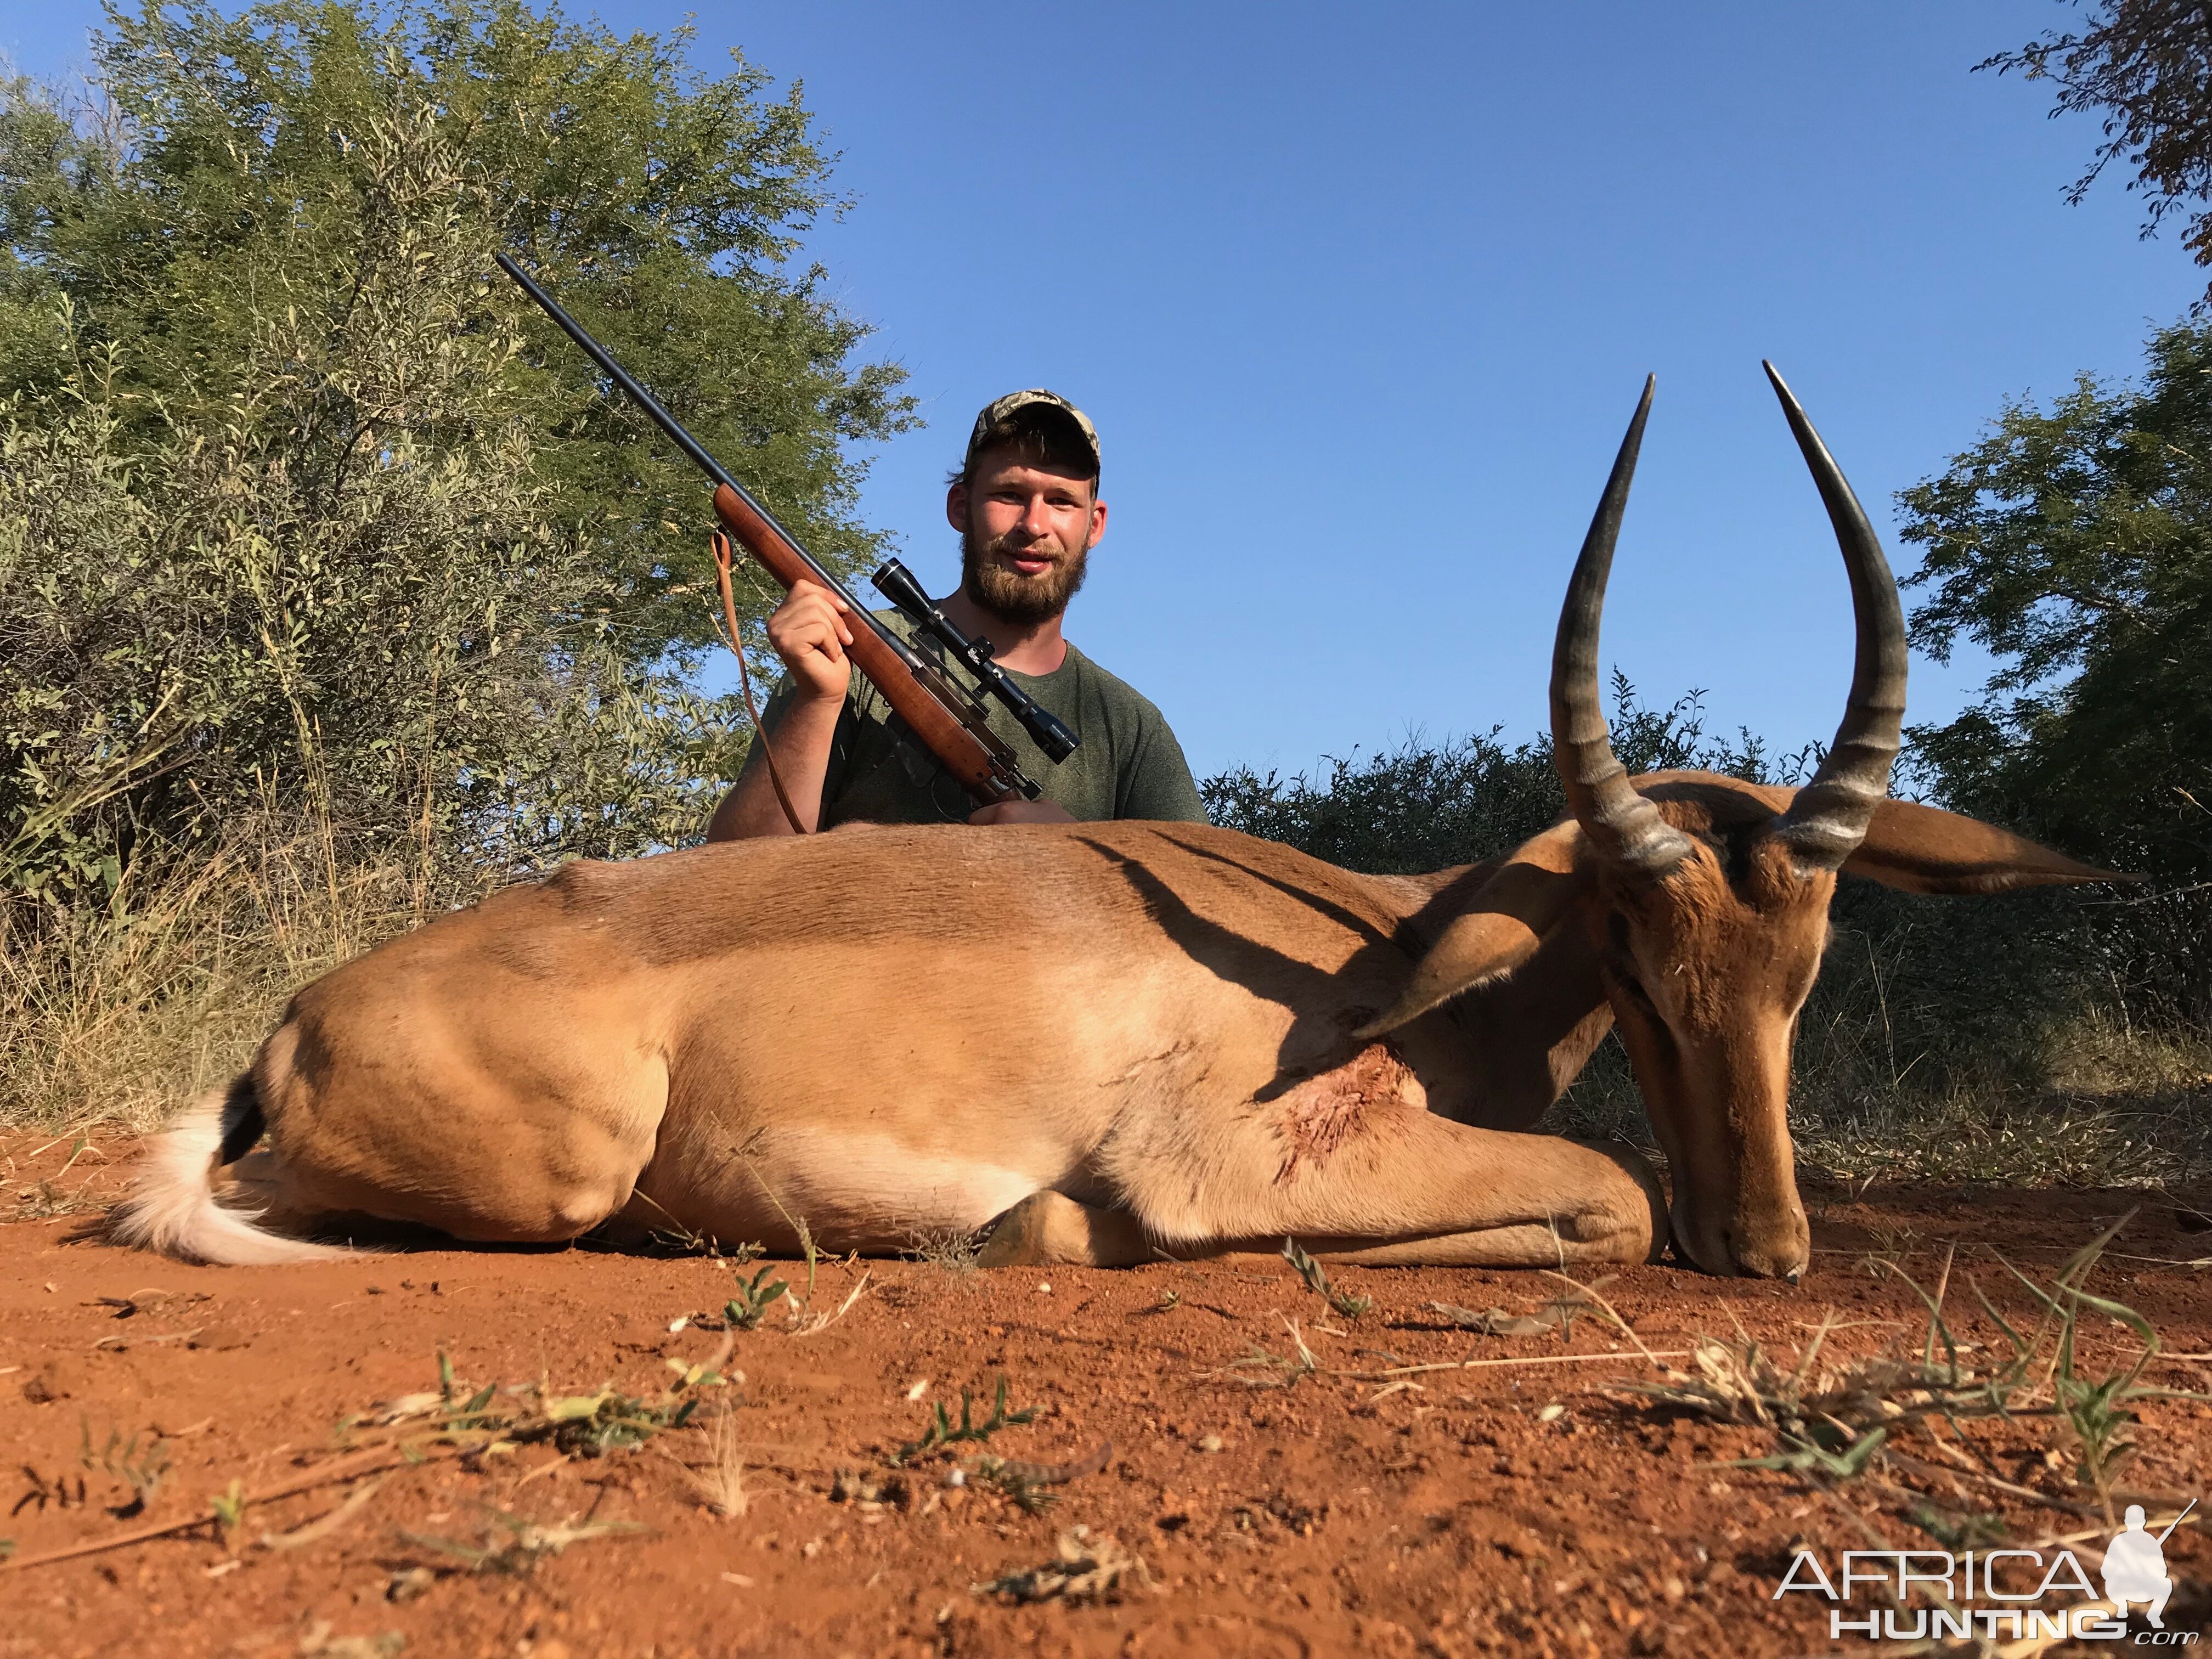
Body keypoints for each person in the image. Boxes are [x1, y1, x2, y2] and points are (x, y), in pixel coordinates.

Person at [707, 390, 1207, 838]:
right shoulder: (846, 654)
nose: (1035, 524)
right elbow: (735, 879)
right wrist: (817, 702)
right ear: (959, 506)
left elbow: (1203, 900)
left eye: (1061, 501)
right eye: (1010, 494)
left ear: (1093, 525)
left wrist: (1081, 855)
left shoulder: (1129, 725)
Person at [2102, 1504, 2175, 1628]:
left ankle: (2154, 1615)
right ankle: (2122, 1611)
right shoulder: (2119, 1541)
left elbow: (2162, 1569)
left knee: (2167, 1584)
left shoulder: (2150, 1541)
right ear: (2126, 1522)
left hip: (2145, 1587)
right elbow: (2106, 1569)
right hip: (2123, 1588)